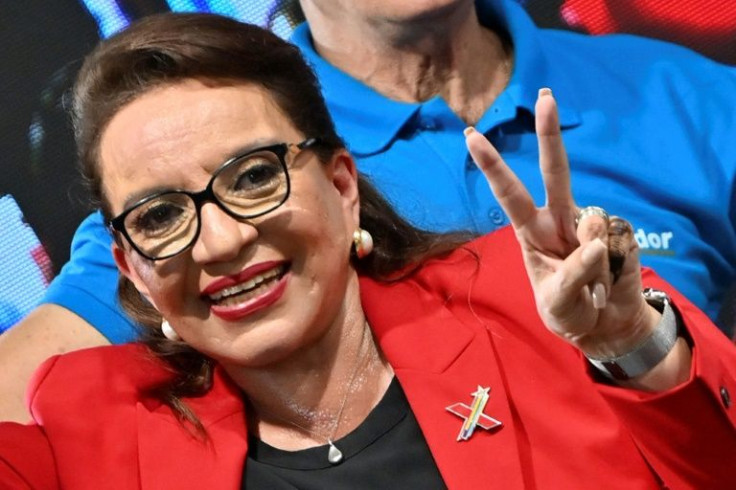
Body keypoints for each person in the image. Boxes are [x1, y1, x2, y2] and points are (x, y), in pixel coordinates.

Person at [1, 14, 734, 489]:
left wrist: (633, 343)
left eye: (255, 178)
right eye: (161, 217)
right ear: (129, 264)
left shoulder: (526, 311)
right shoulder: (86, 422)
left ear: (343, 182)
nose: (221, 239)